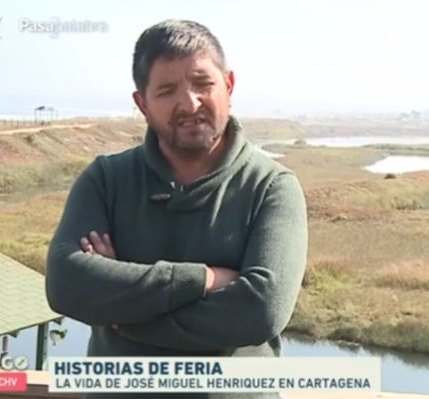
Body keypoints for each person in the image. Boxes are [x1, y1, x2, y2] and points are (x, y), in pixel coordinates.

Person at [44, 19, 309, 399]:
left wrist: (124, 312)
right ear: (143, 104)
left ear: (229, 86)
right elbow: (67, 285)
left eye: (203, 84)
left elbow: (261, 311)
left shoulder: (271, 187)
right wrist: (202, 279)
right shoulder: (106, 179)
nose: (189, 103)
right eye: (167, 90)